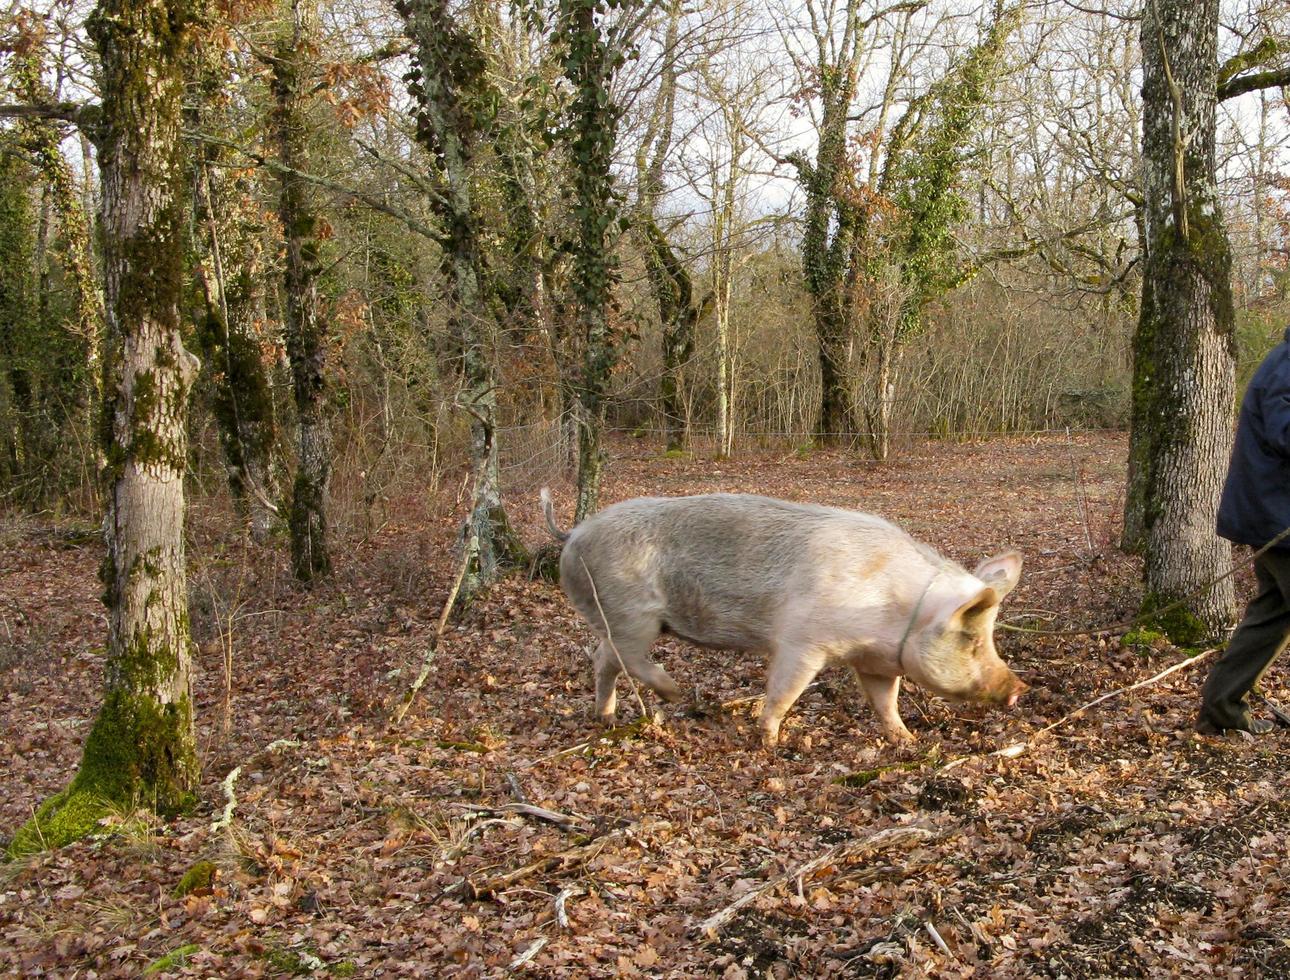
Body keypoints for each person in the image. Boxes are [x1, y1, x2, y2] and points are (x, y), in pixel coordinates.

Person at [1198, 326, 1290, 735]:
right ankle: (1220, 711)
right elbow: (1284, 434)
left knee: (1270, 618)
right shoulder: (1285, 368)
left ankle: (1221, 710)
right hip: (1278, 523)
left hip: (1274, 519)